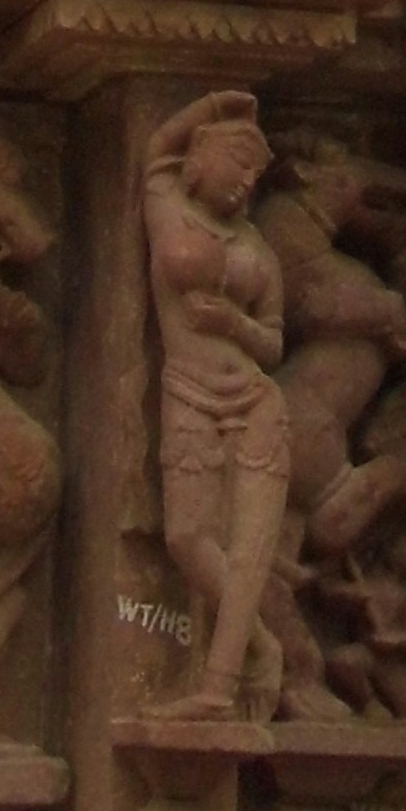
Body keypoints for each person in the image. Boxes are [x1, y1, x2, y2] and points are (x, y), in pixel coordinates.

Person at [143, 90, 288, 722]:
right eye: (236, 164)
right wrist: (204, 108)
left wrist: (232, 320)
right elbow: (154, 154)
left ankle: (216, 688)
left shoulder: (256, 244)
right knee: (187, 536)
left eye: (254, 175)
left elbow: (275, 340)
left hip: (257, 402)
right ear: (202, 163)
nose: (244, 183)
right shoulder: (167, 209)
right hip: (187, 394)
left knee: (251, 550)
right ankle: (261, 644)